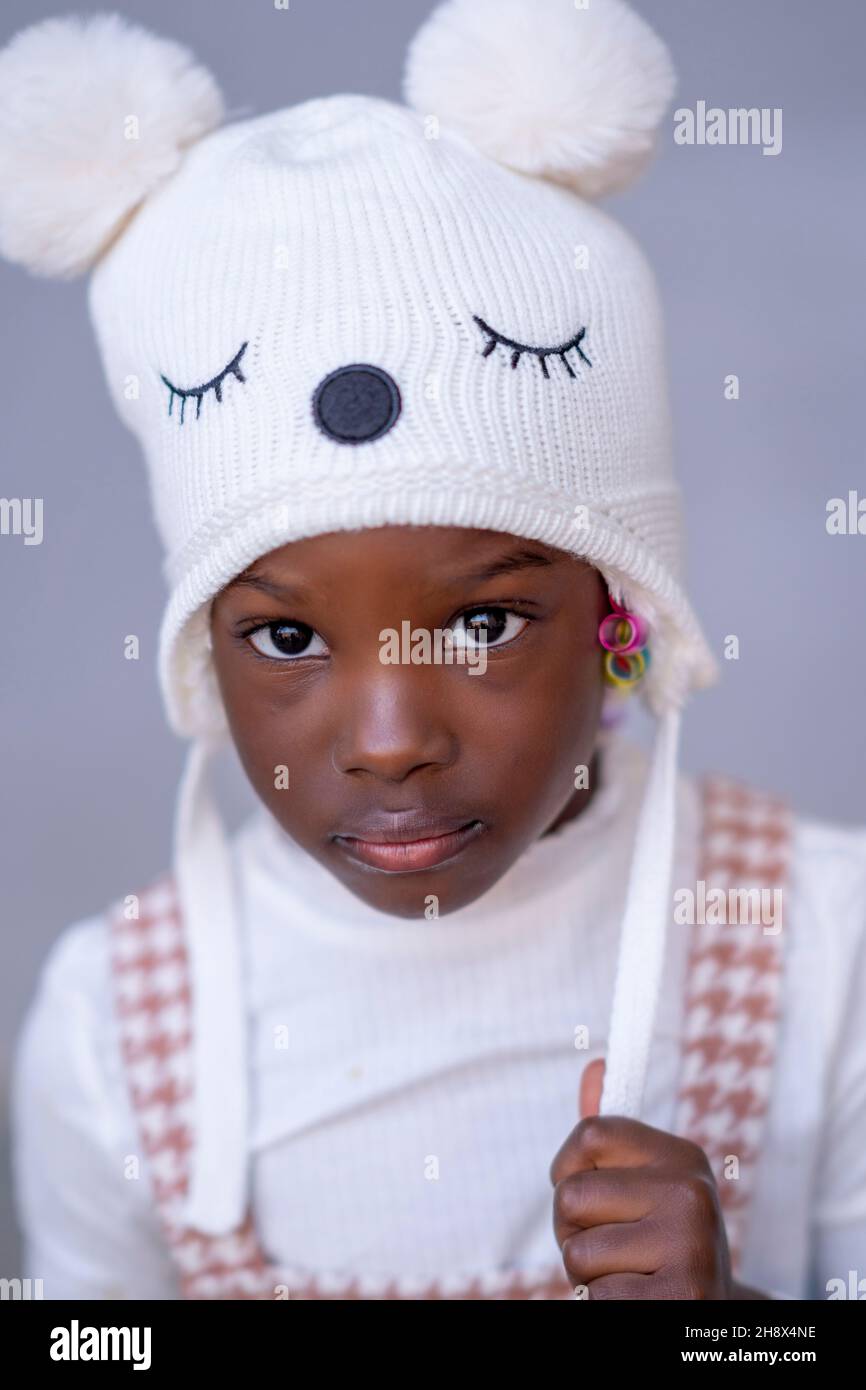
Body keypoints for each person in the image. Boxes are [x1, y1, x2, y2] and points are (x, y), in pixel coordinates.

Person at [2, 0, 864, 1301]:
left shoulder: (819, 939)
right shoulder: (113, 1023)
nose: (392, 737)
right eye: (286, 635)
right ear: (203, 656)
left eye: (483, 622)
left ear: (620, 619)